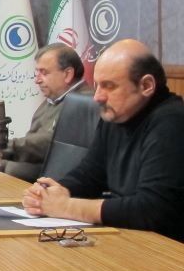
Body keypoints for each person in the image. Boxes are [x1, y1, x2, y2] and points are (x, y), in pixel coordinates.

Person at [22, 39, 184, 240]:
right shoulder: (118, 114)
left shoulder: (172, 122)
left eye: (109, 86)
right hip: (127, 236)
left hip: (166, 247)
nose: (97, 97)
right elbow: (90, 174)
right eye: (97, 85)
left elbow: (152, 209)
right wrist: (55, 191)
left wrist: (66, 206)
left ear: (146, 85)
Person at [0, 43, 90, 181]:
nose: (37, 80)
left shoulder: (84, 104)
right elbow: (29, 150)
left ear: (68, 74)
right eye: (37, 72)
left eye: (44, 73)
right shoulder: (52, 100)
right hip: (21, 182)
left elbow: (50, 143)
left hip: (51, 187)